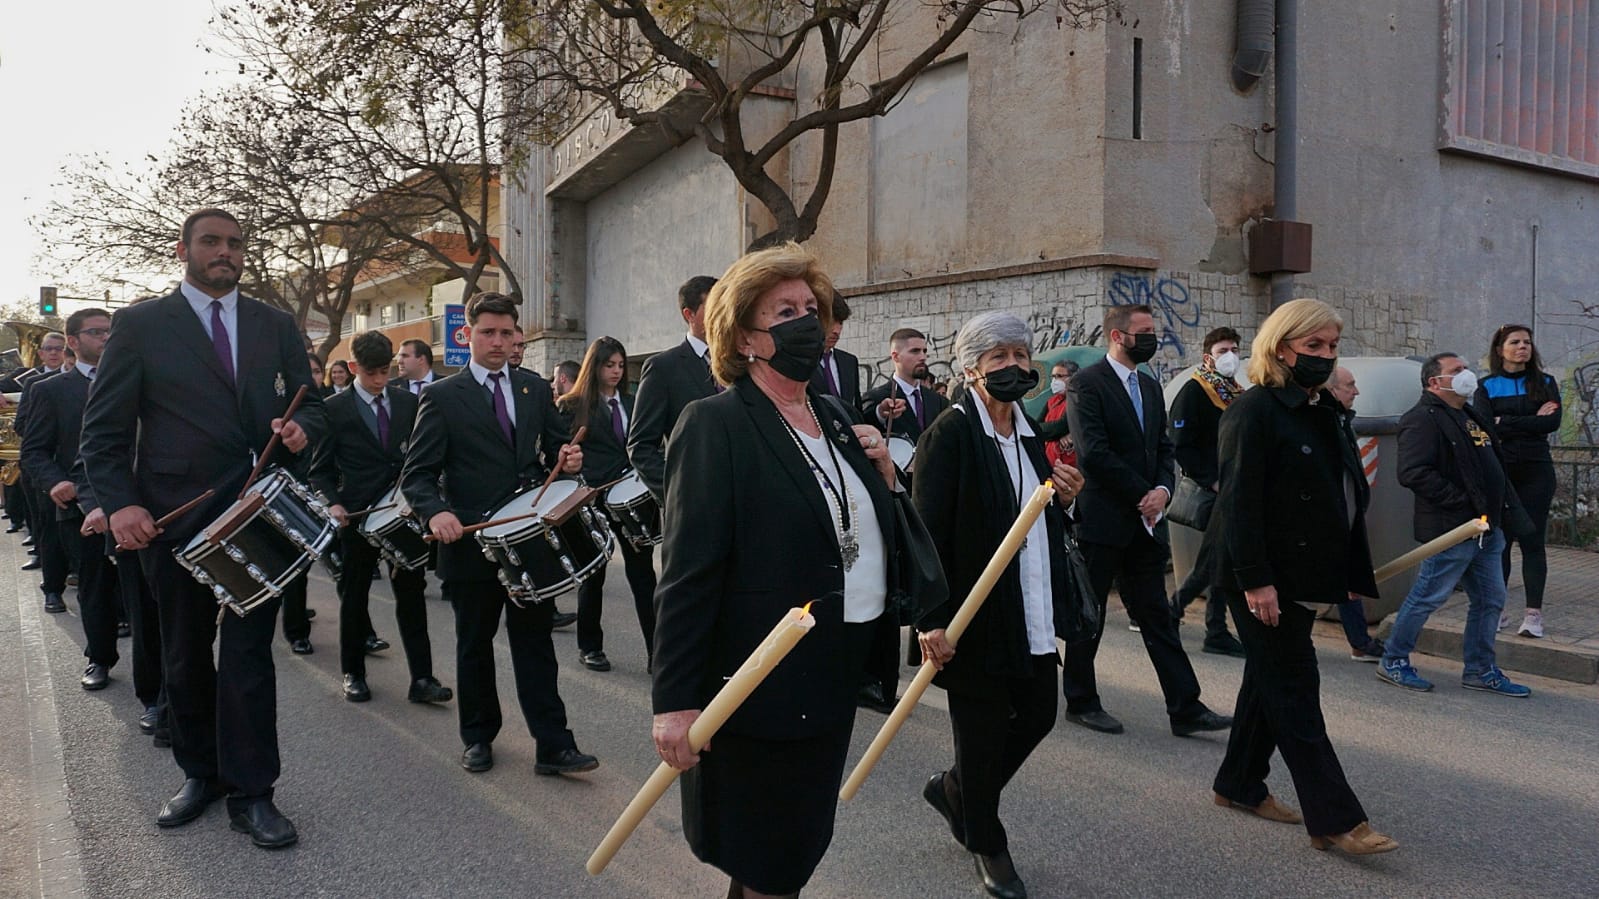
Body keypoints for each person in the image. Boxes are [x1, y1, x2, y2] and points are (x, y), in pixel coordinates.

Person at [652, 244, 900, 899]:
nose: (805, 323)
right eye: (783, 311)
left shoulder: (838, 418)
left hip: (833, 669)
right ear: (743, 337)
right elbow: (686, 570)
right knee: (773, 854)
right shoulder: (714, 424)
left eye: (810, 309)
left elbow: (860, 529)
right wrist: (674, 701)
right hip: (757, 678)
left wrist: (883, 478)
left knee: (791, 847)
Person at [80, 208, 326, 849]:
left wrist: (303, 432)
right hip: (173, 516)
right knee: (184, 653)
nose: (225, 253)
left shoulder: (274, 324)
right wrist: (122, 504)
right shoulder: (140, 324)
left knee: (248, 658)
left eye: (235, 244)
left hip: (257, 516)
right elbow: (103, 432)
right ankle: (200, 775)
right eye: (212, 242)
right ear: (184, 249)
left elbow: (315, 405)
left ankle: (254, 792)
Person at [1209, 298, 1397, 857]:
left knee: (1269, 682)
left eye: (1332, 346)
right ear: (1281, 347)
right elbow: (1239, 505)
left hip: (1301, 572)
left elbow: (1338, 499)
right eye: (1313, 346)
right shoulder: (1253, 412)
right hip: (1260, 577)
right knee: (1295, 687)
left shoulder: (1322, 411)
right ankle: (1335, 818)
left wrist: (1340, 568)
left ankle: (1238, 783)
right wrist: (1255, 580)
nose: (1324, 356)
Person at [912, 311, 1086, 899]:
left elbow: (1037, 517)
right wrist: (929, 619)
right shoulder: (952, 434)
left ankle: (958, 790)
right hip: (973, 616)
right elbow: (927, 532)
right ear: (971, 369)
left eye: (1020, 355)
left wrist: (1065, 497)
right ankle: (987, 841)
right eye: (999, 358)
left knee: (1037, 714)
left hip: (1029, 603)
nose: (1014, 367)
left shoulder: (1031, 430)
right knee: (982, 735)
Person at [401, 291, 598, 777]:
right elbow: (418, 475)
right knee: (474, 644)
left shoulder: (532, 388)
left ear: (516, 337)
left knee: (535, 645)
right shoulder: (442, 396)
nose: (498, 340)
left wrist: (568, 459)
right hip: (470, 542)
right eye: (487, 332)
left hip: (527, 541)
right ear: (468, 335)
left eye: (507, 332)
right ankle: (478, 737)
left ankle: (553, 745)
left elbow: (556, 450)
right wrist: (435, 514)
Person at [1061, 304, 1231, 737]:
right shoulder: (1087, 385)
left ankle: (1185, 707)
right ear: (1118, 337)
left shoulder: (1151, 387)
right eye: (1145, 332)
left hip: (1146, 523)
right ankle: (1081, 700)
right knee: (1091, 614)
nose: (1152, 339)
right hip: (1103, 522)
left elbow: (1164, 447)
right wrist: (1144, 493)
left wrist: (1163, 492)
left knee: (1157, 615)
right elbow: (1094, 453)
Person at [309, 330, 452, 705]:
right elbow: (319, 471)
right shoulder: (334, 409)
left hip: (403, 513)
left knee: (412, 595)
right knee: (354, 596)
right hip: (356, 518)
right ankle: (353, 673)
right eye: (371, 372)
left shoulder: (408, 403)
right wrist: (333, 503)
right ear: (354, 367)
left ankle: (422, 678)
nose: (379, 380)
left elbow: (422, 458)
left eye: (385, 372)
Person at [1378, 353, 1533, 698]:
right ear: (1435, 382)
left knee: (1491, 598)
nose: (1467, 375)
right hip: (1453, 529)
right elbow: (1413, 473)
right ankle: (1394, 659)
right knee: (1427, 596)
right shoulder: (1421, 419)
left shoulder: (1468, 414)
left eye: (1466, 369)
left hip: (1485, 530)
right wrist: (1463, 503)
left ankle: (1480, 670)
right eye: (1457, 371)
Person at [20, 309, 119, 687]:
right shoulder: (49, 390)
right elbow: (33, 452)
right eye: (97, 332)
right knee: (94, 586)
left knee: (140, 593)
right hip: (79, 506)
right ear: (73, 342)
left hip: (130, 502)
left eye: (111, 331)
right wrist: (55, 483)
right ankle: (100, 658)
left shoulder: (135, 382)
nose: (107, 338)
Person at [554, 336, 658, 672]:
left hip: (629, 497)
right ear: (594, 366)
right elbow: (562, 456)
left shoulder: (634, 400)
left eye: (619, 365)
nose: (615, 371)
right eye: (608, 365)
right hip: (592, 498)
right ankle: (590, 647)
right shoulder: (571, 405)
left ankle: (657, 652)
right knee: (593, 575)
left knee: (643, 576)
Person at [1475, 324, 1561, 638]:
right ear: (1500, 350)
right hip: (1502, 472)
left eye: (1527, 342)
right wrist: (1530, 421)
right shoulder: (1487, 386)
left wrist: (1506, 421)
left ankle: (1533, 616)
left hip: (1537, 471)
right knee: (1501, 542)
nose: (1522, 346)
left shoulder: (1545, 382)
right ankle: (1496, 611)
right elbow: (1485, 426)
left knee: (1533, 542)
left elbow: (1552, 422)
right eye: (1515, 342)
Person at [1167, 327, 1246, 657]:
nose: (1231, 355)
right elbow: (1181, 444)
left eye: (1235, 348)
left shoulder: (1234, 391)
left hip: (1234, 486)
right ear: (1208, 356)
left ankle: (1214, 628)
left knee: (1221, 558)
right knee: (1213, 559)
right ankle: (1175, 611)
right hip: (1216, 488)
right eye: (1224, 349)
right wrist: (1209, 479)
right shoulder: (1195, 390)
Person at [627, 275, 719, 505]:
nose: (723, 313)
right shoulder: (663, 368)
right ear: (689, 314)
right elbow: (641, 447)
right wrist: (677, 491)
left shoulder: (740, 361)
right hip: (694, 505)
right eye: (714, 307)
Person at [1325, 367, 1386, 662]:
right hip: (1328, 520)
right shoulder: (1324, 422)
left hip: (1346, 517)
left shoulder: (1342, 420)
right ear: (1332, 390)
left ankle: (1360, 641)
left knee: (1351, 583)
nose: (1356, 391)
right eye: (1350, 385)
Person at [860, 328, 949, 441]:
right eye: (915, 351)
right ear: (896, 356)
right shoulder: (877, 398)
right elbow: (864, 426)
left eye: (924, 351)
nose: (923, 357)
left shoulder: (938, 401)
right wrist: (880, 414)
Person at [811, 293, 862, 410]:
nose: (837, 330)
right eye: (831, 321)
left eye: (840, 323)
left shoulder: (849, 361)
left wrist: (879, 412)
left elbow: (857, 410)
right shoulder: (799, 361)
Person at [1041, 359, 1078, 468]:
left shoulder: (1078, 399)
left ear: (1073, 377)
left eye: (1059, 376)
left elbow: (1061, 426)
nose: (1055, 381)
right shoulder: (1052, 401)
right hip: (1050, 462)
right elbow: (1034, 427)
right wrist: (1056, 435)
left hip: (1070, 465)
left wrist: (1056, 432)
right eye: (1053, 377)